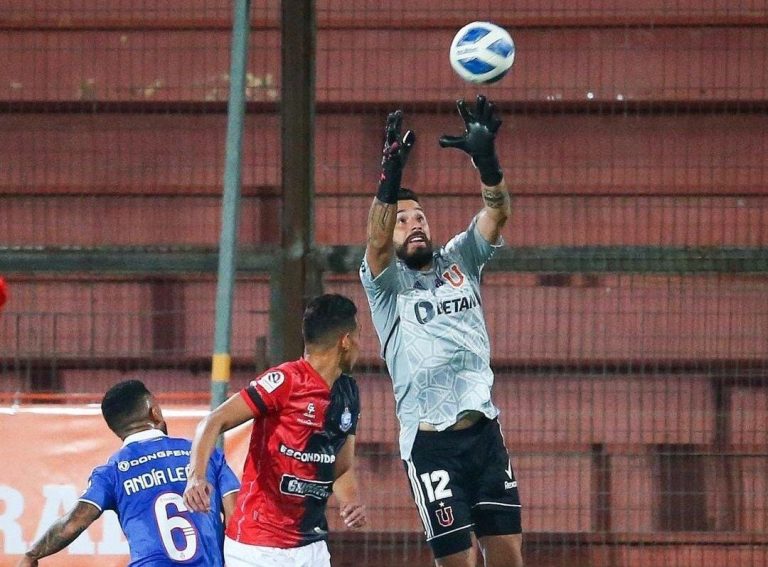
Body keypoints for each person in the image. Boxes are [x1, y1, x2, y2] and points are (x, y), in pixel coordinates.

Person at [359, 95, 523, 567]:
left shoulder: (460, 259)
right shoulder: (386, 286)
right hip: (432, 445)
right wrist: (389, 180)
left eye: (420, 217)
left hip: (484, 433)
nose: (414, 224)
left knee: (509, 559)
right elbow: (374, 241)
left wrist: (487, 163)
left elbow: (498, 213)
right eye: (403, 220)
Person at [183, 293, 366, 567]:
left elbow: (339, 464)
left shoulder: (348, 392)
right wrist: (196, 476)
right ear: (345, 341)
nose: (360, 345)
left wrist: (349, 501)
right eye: (358, 336)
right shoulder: (285, 381)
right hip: (258, 547)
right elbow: (213, 421)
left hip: (311, 546)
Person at [17, 379, 240, 566]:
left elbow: (74, 522)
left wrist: (33, 554)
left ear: (116, 428)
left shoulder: (111, 472)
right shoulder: (205, 456)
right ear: (155, 411)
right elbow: (236, 519)